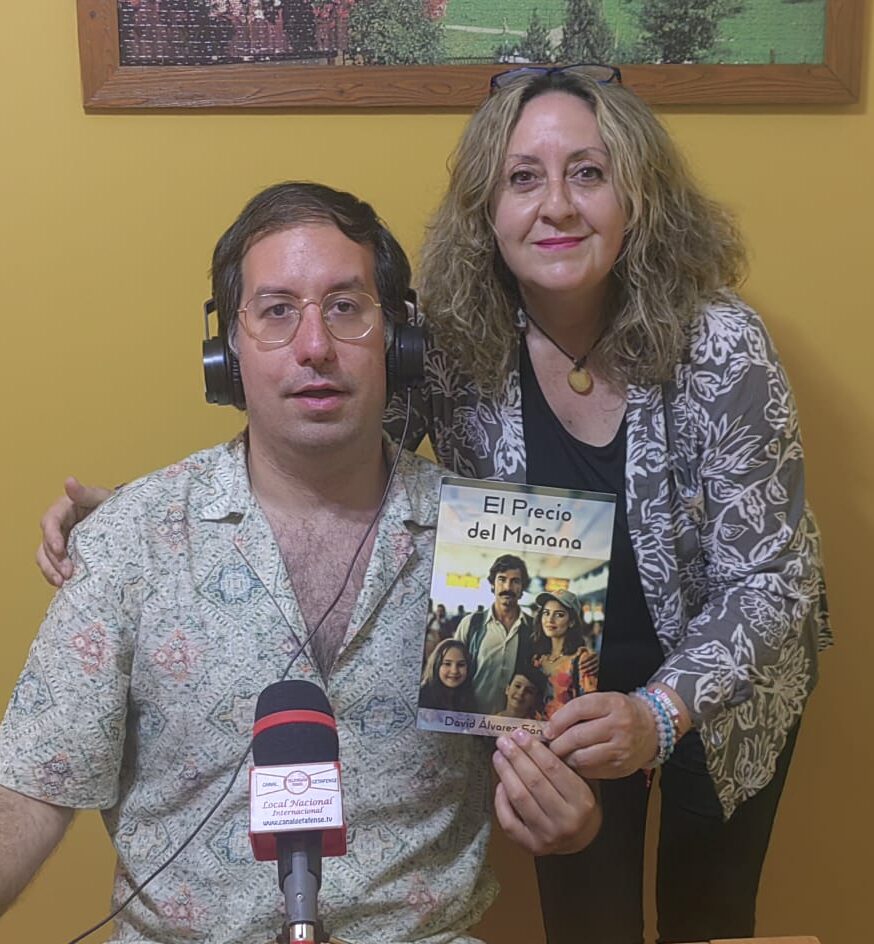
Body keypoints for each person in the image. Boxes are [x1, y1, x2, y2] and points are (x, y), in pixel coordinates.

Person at [34, 67, 831, 943]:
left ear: (639, 196)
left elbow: (772, 579)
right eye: (523, 178)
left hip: (719, 681)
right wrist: (135, 522)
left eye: (589, 173)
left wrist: (660, 714)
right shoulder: (450, 345)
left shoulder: (722, 345)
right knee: (588, 919)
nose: (556, 205)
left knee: (709, 919)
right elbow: (327, 451)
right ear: (487, 210)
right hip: (552, 684)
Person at [3, 182, 600, 943]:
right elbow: (29, 791)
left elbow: (557, 786)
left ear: (397, 342)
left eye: (346, 307)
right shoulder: (130, 539)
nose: (315, 345)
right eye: (278, 310)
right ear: (227, 352)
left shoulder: (492, 542)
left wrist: (572, 820)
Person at [453, 554, 534, 715]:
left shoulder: (533, 629)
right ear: (492, 584)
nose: (507, 587)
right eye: (502, 579)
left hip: (513, 721)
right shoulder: (471, 624)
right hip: (471, 717)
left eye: (515, 581)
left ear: (522, 588)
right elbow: (453, 669)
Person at [530, 590, 598, 719]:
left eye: (559, 615)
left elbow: (591, 706)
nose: (550, 620)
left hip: (565, 729)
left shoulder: (581, 659)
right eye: (546, 613)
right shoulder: (537, 659)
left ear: (572, 621)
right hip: (532, 728)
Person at [418, 638, 477, 712]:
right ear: (436, 665)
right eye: (447, 664)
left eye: (461, 665)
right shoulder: (421, 697)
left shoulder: (469, 697)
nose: (454, 671)